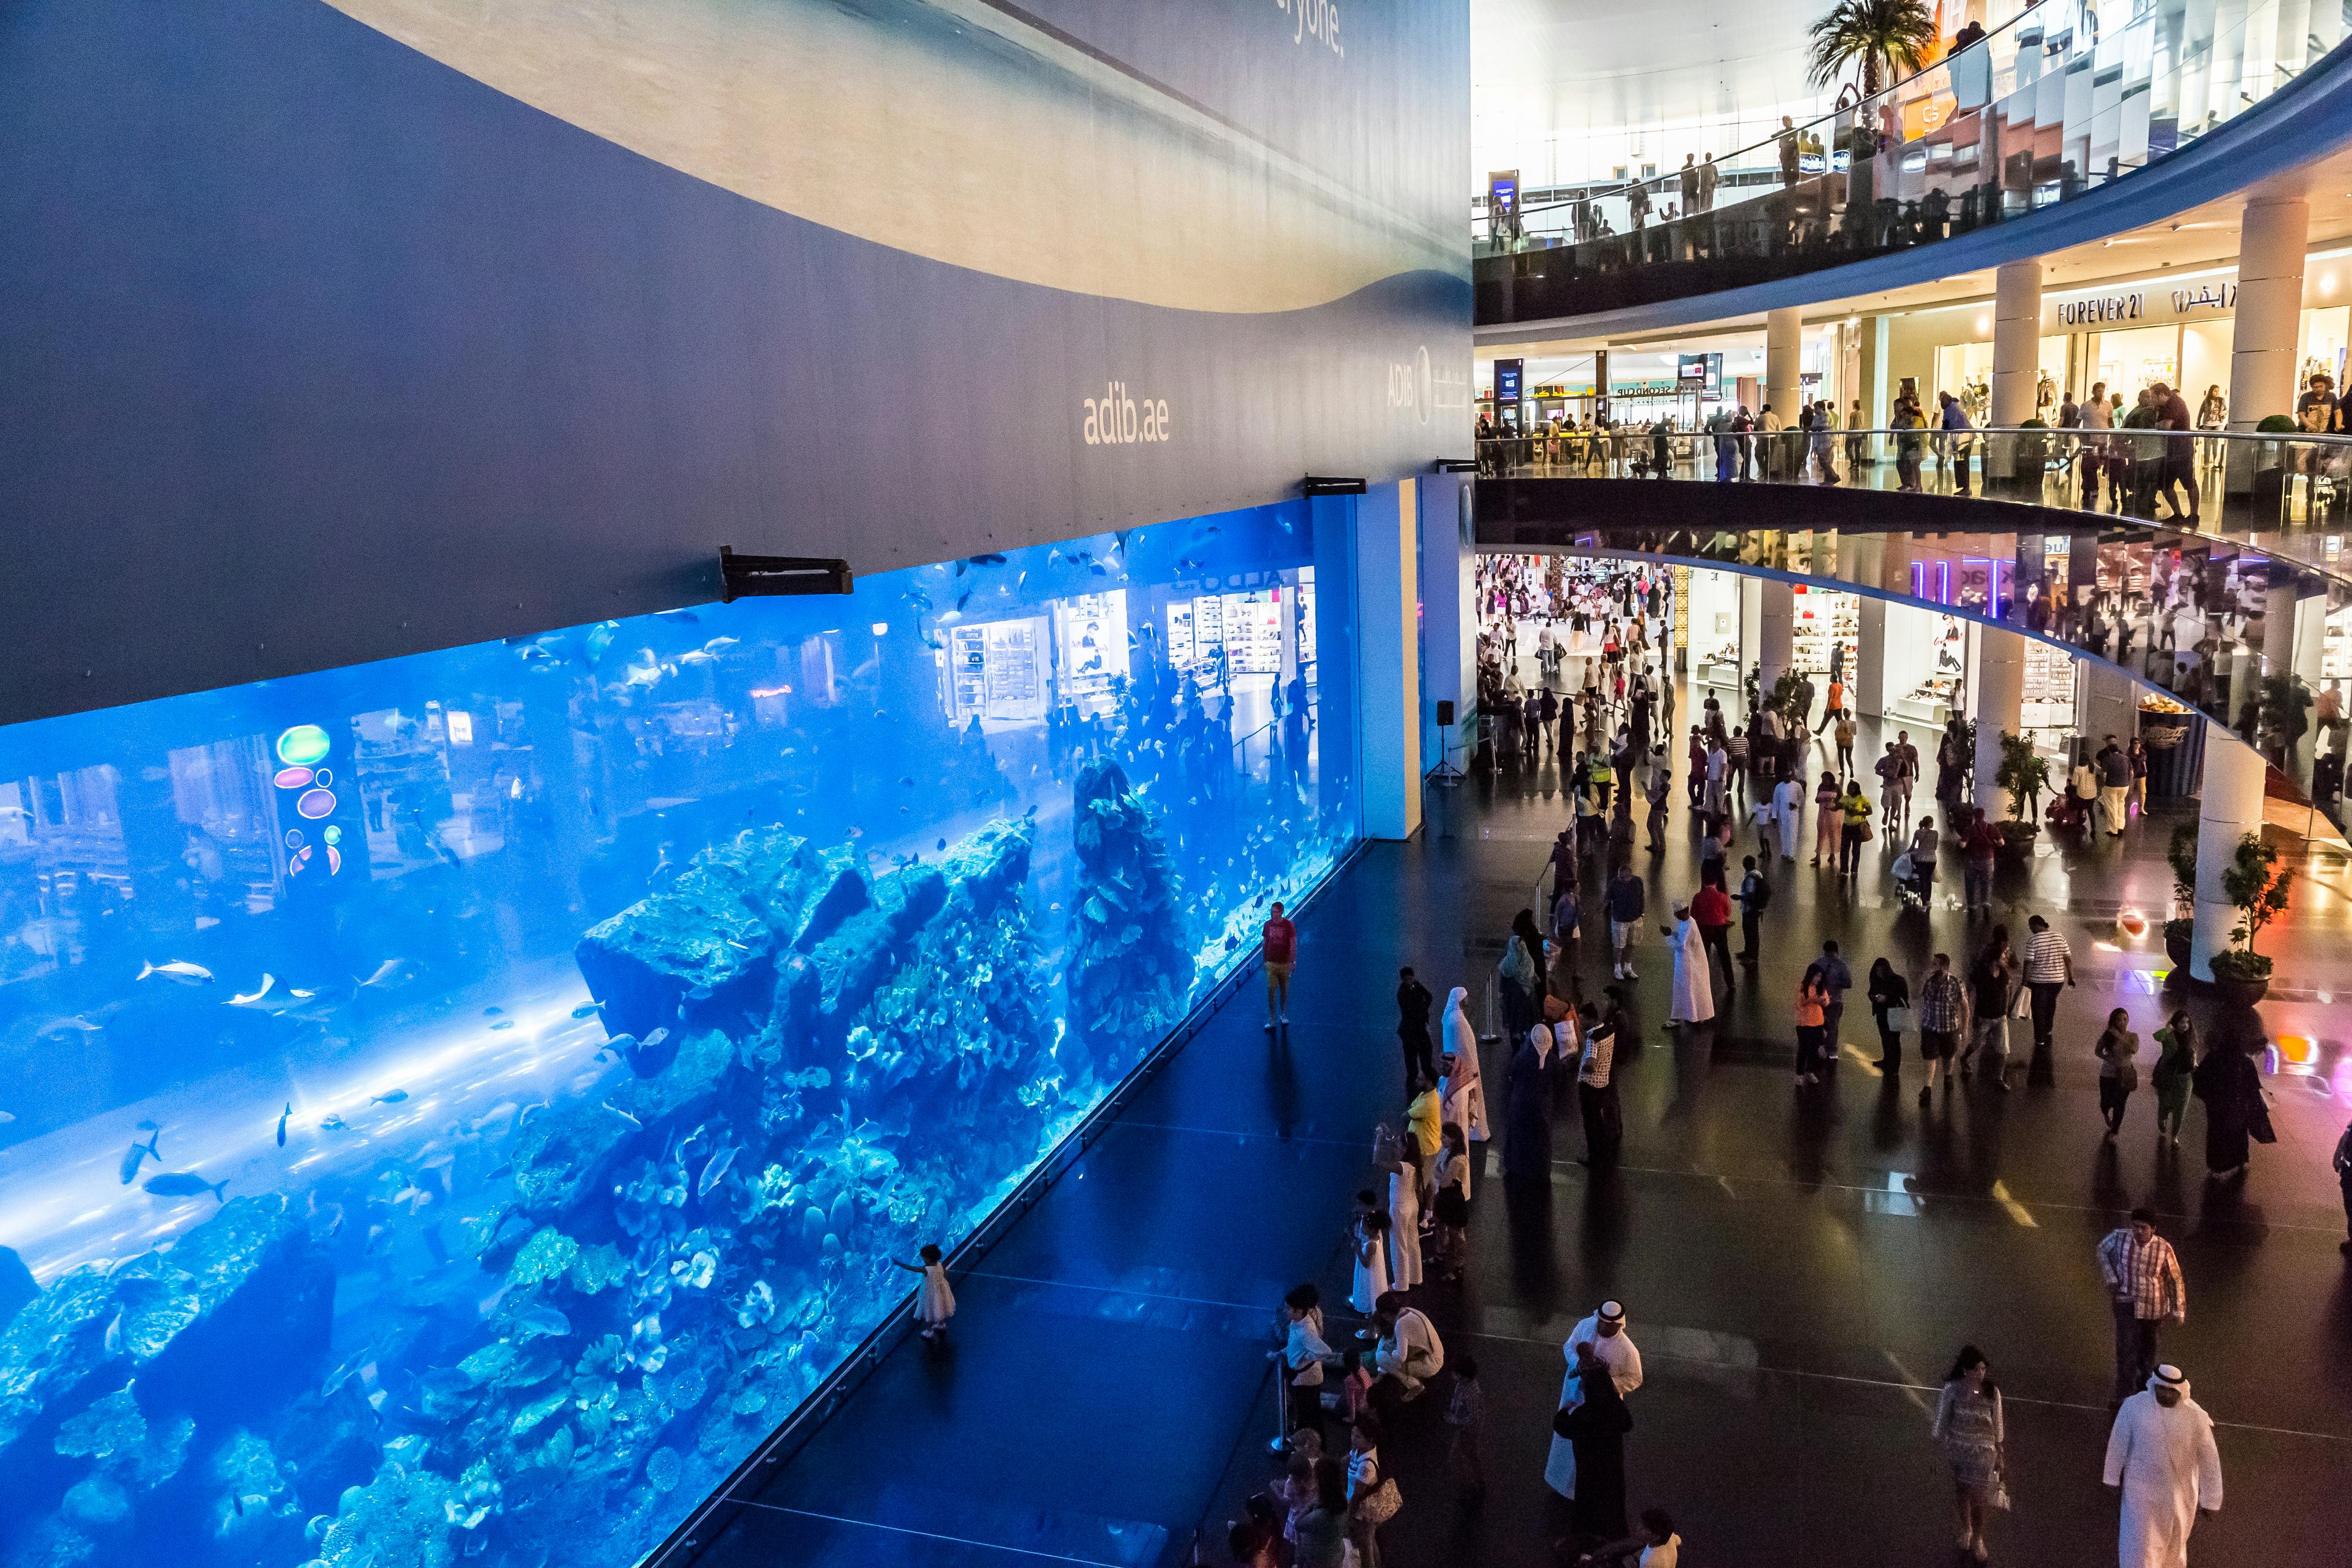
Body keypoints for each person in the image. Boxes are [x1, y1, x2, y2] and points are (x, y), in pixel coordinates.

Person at [2102, 1364, 2222, 1568]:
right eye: (2162, 1389)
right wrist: (2111, 1477)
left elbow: (2209, 1460)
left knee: (2174, 1547)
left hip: (2180, 1496)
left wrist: (2211, 1499)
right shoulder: (2134, 1407)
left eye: (2171, 1391)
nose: (2166, 1394)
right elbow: (2118, 1443)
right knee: (2140, 1548)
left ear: (2180, 1391)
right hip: (2141, 1493)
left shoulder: (2196, 1417)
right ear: (2154, 1386)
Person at [1544, 1300, 1643, 1501]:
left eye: (1607, 1324)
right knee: (1568, 1444)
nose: (1602, 1327)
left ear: (1618, 1325)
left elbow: (1635, 1378)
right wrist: (1578, 1363)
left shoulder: (1628, 1350)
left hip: (1601, 1404)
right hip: (1575, 1393)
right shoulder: (1585, 1325)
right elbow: (1569, 1347)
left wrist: (1606, 1384)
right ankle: (1561, 1483)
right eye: (1600, 1322)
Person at [2097, 1207, 2186, 1408]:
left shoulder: (2163, 1248)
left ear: (2153, 1229)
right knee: (2125, 1350)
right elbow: (2102, 1250)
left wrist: (2178, 1309)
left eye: (2143, 1228)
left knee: (2147, 1353)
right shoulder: (2119, 1238)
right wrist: (2111, 1277)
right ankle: (2124, 1395)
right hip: (2126, 1302)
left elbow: (2175, 1279)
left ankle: (2144, 1393)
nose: (2138, 1231)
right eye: (2135, 1226)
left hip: (2153, 1308)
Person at [1552, 1341, 1633, 1542]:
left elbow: (1563, 1428)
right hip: (1612, 1466)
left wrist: (1564, 1410)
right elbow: (1627, 1424)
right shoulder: (1615, 1408)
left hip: (1588, 1467)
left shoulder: (1584, 1414)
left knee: (1588, 1502)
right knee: (1612, 1499)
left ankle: (1587, 1537)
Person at [1933, 1345, 2007, 1563]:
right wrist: (1939, 1439)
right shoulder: (1952, 1390)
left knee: (1979, 1498)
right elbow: (1942, 1419)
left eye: (1983, 1369)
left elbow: (1998, 1424)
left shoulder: (1992, 1392)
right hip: (1959, 1450)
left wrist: (2000, 1451)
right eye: (1977, 1369)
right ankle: (1966, 1529)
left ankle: (1978, 1538)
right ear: (1965, 1370)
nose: (1981, 1373)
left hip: (1983, 1453)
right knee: (1962, 1490)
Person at [2190, 1038, 2265, 1179]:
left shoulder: (2213, 1058)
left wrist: (2209, 1097)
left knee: (2216, 1133)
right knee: (2239, 1132)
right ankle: (2240, 1159)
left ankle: (2216, 1164)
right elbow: (2253, 1085)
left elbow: (2199, 1079)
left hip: (2217, 1105)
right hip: (2238, 1105)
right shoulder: (2244, 1061)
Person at [1273, 1284, 1333, 1446]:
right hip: (1304, 1376)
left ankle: (1307, 1448)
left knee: (1307, 1416)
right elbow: (1294, 1346)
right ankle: (1313, 1445)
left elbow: (1326, 1351)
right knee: (1311, 1414)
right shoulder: (1299, 1323)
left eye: (1288, 1308)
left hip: (1305, 1379)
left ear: (1298, 1311)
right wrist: (1281, 1353)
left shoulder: (1305, 1332)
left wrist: (1308, 1357)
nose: (1285, 1311)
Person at [1963, 926, 2016, 1088]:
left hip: (2000, 1017)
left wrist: (2006, 1010)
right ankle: (1964, 1058)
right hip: (1984, 1016)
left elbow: (2007, 990)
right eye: (2002, 957)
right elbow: (1972, 993)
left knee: (2003, 1050)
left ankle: (1999, 1078)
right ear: (1995, 959)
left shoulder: (2003, 974)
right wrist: (1971, 1014)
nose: (2005, 959)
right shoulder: (1981, 974)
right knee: (1977, 1044)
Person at [2018, 914, 2074, 1067]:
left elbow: (2028, 962)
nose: (2031, 930)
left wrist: (2024, 981)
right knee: (2051, 1003)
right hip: (2057, 981)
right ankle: (2048, 1029)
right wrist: (2071, 977)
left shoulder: (2033, 940)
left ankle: (2040, 1038)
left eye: (2031, 927)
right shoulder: (2060, 937)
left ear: (2037, 925)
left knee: (2038, 1009)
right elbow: (2068, 959)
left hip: (2039, 981)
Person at [1365, 1291, 1444, 1398]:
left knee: (1381, 1358)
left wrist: (1391, 1352)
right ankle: (1386, 1372)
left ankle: (1415, 1385)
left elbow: (1401, 1357)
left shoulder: (1401, 1324)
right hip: (1435, 1355)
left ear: (1386, 1314)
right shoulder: (1408, 1311)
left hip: (1431, 1364)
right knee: (1385, 1346)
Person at [1344, 1413, 1397, 1568]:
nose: (1353, 1439)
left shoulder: (1367, 1465)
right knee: (1370, 1541)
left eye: (1358, 1436)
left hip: (1363, 1514)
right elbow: (1345, 1461)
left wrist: (1349, 1515)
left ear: (1370, 1439)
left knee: (1366, 1549)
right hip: (1364, 1511)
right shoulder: (1358, 1451)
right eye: (1352, 1434)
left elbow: (1357, 1495)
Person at [1504, 1021, 1552, 1186]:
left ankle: (1517, 1168)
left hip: (1520, 1103)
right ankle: (1542, 1170)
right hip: (1542, 1106)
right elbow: (1558, 1078)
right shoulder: (1551, 1060)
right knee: (1541, 1139)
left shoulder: (1522, 1056)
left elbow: (1511, 1075)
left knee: (1519, 1135)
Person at [1440, 987, 1491, 1144]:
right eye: (1466, 997)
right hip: (1464, 1068)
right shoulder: (1458, 1020)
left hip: (1454, 1066)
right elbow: (1465, 1046)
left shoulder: (1451, 1017)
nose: (1468, 999)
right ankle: (1474, 1131)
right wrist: (1473, 1069)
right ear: (1461, 1000)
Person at [1918, 951, 1966, 1107]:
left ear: (1944, 967)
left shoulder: (1956, 983)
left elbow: (1965, 1006)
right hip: (1930, 1026)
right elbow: (1916, 994)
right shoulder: (1928, 981)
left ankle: (1948, 1076)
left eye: (1936, 964)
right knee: (1929, 1056)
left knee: (1949, 1055)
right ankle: (1927, 1088)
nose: (1932, 966)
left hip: (1949, 1027)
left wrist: (1965, 1028)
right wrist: (1925, 976)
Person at [1577, 1000, 1621, 1166]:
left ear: (1589, 1019)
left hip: (1590, 1086)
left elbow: (1591, 1062)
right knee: (1598, 1118)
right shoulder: (1608, 1029)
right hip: (1604, 1081)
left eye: (1582, 1019)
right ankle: (1604, 1148)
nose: (1580, 1022)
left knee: (1590, 1121)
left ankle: (1594, 1155)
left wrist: (1582, 1067)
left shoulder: (1592, 1040)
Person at [1662, 900, 1715, 1028]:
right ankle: (1695, 1016)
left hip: (1688, 965)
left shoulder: (1689, 925)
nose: (1675, 915)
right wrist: (1673, 933)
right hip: (1691, 964)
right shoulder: (1688, 922)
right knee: (1693, 990)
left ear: (1683, 912)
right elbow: (1683, 938)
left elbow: (1682, 946)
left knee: (1683, 990)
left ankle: (1678, 1018)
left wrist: (1669, 937)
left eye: (1676, 913)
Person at [2149, 1012, 2196, 1148]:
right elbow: (2157, 1037)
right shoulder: (2169, 1035)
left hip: (2186, 1077)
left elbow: (2194, 1052)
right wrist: (2168, 1029)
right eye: (2182, 1022)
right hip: (2168, 1075)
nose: (2185, 1025)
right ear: (2175, 1023)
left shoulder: (2191, 1036)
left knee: (2181, 1108)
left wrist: (2195, 1063)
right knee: (2166, 1103)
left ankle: (2175, 1136)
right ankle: (2162, 1117)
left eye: (2187, 1022)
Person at [1574, 1509, 1680, 1568]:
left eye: (1644, 1528)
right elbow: (1679, 1541)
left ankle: (1590, 1560)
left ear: (1656, 1536)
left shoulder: (1650, 1562)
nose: (1639, 1527)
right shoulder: (1670, 1537)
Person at [2095, 1008, 2142, 1139]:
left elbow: (2133, 1050)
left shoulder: (2133, 1036)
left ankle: (2115, 1131)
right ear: (2114, 1021)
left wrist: (2119, 1036)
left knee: (2120, 1103)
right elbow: (2097, 1051)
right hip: (2108, 1074)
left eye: (2125, 1019)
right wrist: (2107, 1059)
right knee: (2106, 1102)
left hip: (2125, 1075)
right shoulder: (2108, 1035)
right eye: (2119, 1020)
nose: (2122, 1022)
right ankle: (2106, 1113)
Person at [1432, 1123, 1471, 1279]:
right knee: (1440, 1226)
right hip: (1443, 1196)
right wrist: (1443, 1176)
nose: (1441, 1139)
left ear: (1454, 1139)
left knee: (1456, 1234)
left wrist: (1442, 1176)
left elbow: (1443, 1181)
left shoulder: (1458, 1159)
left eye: (1444, 1137)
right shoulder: (1445, 1150)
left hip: (1453, 1200)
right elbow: (1436, 1171)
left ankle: (1458, 1266)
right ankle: (1440, 1254)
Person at [894, 1243, 956, 1341]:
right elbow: (945, 1275)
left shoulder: (926, 1269)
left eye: (924, 1258)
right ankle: (942, 1325)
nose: (923, 1260)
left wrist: (899, 1264)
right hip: (942, 1291)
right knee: (941, 1308)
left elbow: (912, 1268)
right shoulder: (940, 1265)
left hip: (930, 1294)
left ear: (927, 1259)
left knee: (929, 1312)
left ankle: (929, 1331)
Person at [1447, 1355, 1486, 1497]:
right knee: (1468, 1455)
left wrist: (1453, 1419)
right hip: (1463, 1428)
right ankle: (1475, 1480)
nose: (1452, 1375)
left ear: (1463, 1376)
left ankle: (1472, 1483)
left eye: (1455, 1373)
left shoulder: (1472, 1394)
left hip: (1469, 1431)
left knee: (1463, 1455)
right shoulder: (1462, 1385)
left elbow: (1473, 1418)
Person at [1395, 967, 1436, 1094]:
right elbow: (1411, 1010)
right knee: (1412, 1063)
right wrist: (1424, 1010)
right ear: (1403, 980)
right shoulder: (1402, 993)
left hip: (1419, 1029)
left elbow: (1429, 996)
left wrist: (1423, 1009)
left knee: (1426, 1058)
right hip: (1410, 1032)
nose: (1409, 981)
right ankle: (1413, 1090)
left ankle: (1429, 1083)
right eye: (1407, 979)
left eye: (1411, 979)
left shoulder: (1416, 986)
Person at [1691, 876, 1734, 994]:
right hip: (1720, 928)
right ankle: (1730, 982)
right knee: (1724, 955)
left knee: (1702, 955)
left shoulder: (1698, 897)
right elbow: (1727, 912)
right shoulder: (1722, 896)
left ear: (1704, 883)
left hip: (1704, 928)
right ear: (1716, 883)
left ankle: (1699, 982)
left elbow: (1693, 914)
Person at [1793, 961, 1831, 1085]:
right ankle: (1799, 1074)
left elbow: (1827, 1002)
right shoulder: (1803, 987)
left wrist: (1822, 1001)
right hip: (1804, 1023)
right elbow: (1799, 1004)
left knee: (1814, 1050)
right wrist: (1810, 1000)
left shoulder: (1821, 988)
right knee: (1803, 1049)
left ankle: (1810, 1071)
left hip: (1818, 1022)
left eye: (1820, 977)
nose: (1818, 979)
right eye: (1817, 976)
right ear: (1811, 975)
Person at [1867, 956, 1908, 1071]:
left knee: (1894, 1040)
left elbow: (1904, 997)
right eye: (1877, 971)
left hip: (1895, 1012)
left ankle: (1895, 1065)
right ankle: (1887, 1061)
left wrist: (1887, 998)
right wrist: (1874, 997)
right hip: (1882, 1013)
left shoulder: (1898, 981)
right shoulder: (1877, 981)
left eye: (1881, 970)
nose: (1879, 973)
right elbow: (1871, 992)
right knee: (1885, 1038)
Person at [1606, 863, 1646, 980]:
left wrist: (1641, 912)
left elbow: (1642, 897)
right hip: (1620, 920)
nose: (1621, 880)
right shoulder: (1614, 884)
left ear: (1630, 876)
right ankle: (1618, 969)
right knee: (1618, 946)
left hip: (1635, 919)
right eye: (1619, 877)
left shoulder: (1638, 882)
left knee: (1632, 944)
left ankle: (1628, 968)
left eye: (1623, 878)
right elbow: (1607, 898)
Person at [1263, 901, 1298, 1030]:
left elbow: (1293, 943)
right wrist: (1264, 960)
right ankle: (1272, 1019)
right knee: (1271, 990)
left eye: (1276, 912)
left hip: (1285, 962)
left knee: (1284, 991)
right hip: (1271, 962)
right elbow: (1265, 943)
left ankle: (1283, 1014)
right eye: (1272, 912)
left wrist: (1293, 961)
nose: (1274, 914)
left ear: (1281, 912)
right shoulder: (1267, 925)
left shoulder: (1289, 925)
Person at [1735, 853, 1770, 964]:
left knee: (1751, 933)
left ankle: (1752, 957)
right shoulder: (1758, 873)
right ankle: (1748, 952)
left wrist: (1739, 897)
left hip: (1750, 909)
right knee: (1749, 932)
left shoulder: (1750, 878)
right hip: (1756, 908)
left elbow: (1750, 895)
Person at [1837, 776, 1871, 877]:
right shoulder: (1845, 798)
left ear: (1856, 790)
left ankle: (1854, 870)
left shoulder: (1863, 799)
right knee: (1844, 849)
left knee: (1856, 850)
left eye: (1851, 788)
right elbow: (1838, 806)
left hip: (1857, 827)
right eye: (1848, 788)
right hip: (1847, 827)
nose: (1848, 790)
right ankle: (1844, 870)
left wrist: (1858, 813)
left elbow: (1870, 811)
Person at [1809, 771, 1839, 867]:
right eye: (1823, 779)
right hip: (1822, 813)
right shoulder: (1821, 787)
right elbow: (1816, 800)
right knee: (1821, 833)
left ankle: (1832, 854)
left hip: (1833, 813)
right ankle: (1818, 855)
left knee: (1832, 833)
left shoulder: (1836, 787)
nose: (1824, 781)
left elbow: (1841, 799)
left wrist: (1833, 802)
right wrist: (1823, 800)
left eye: (1826, 779)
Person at [1772, 768, 1803, 860]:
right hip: (1782, 813)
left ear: (1792, 776)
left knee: (1792, 832)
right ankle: (1785, 852)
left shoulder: (1797, 786)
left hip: (1793, 814)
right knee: (1783, 833)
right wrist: (1774, 816)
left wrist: (1796, 805)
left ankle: (1791, 854)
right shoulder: (1779, 787)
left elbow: (1801, 798)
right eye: (1786, 776)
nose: (1788, 778)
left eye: (1789, 776)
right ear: (1783, 776)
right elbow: (1776, 802)